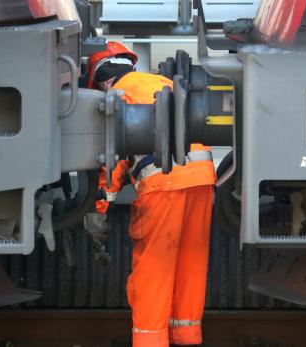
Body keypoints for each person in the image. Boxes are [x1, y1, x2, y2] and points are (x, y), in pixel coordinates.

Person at [88, 42, 216, 347]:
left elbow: (114, 154)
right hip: (202, 179)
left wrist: (99, 208)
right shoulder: (159, 81)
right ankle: (186, 338)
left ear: (103, 80)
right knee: (190, 267)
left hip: (164, 184)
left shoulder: (119, 94)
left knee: (154, 272)